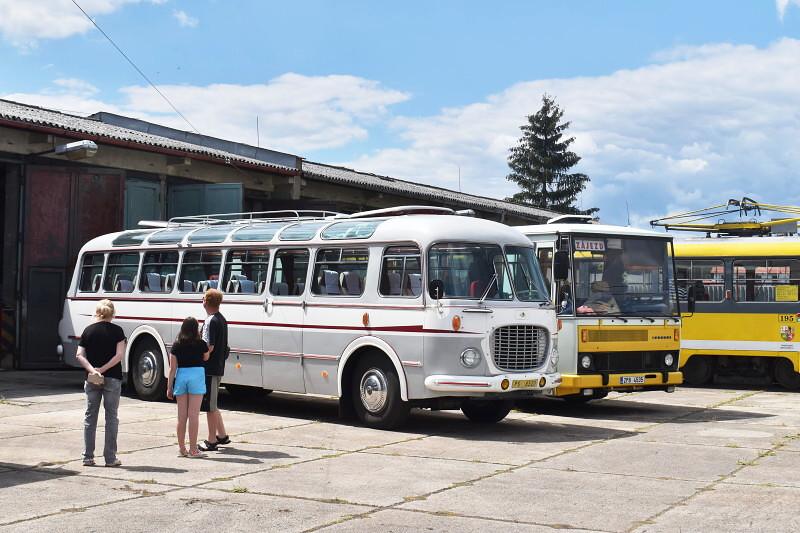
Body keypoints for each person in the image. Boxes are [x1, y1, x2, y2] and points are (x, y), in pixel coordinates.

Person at [75, 299, 126, 467]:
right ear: (112, 313)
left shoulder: (88, 331)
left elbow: (79, 355)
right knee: (111, 417)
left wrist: (93, 370)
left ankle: (88, 457)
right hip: (112, 377)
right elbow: (119, 356)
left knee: (90, 416)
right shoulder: (118, 331)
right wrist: (103, 369)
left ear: (98, 312)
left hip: (92, 378)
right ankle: (110, 458)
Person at [167, 317, 209, 458]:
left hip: (181, 377)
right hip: (196, 376)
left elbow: (172, 368)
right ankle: (193, 449)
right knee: (193, 415)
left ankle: (182, 448)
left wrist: (169, 388)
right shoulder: (201, 343)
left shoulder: (176, 345)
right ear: (196, 329)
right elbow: (206, 357)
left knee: (182, 417)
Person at [198, 288, 230, 452]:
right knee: (213, 402)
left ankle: (211, 440)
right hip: (218, 366)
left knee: (209, 406)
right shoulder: (222, 319)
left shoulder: (210, 321)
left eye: (203, 298)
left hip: (209, 368)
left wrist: (201, 357)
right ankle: (222, 435)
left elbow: (208, 346)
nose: (201, 300)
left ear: (207, 301)